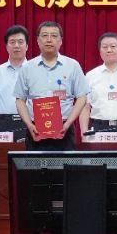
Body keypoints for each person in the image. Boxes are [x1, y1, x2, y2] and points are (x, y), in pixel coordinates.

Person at [16, 21, 89, 150]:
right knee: (34, 164)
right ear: (38, 41)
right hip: (35, 129)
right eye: (44, 35)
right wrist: (29, 124)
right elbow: (20, 99)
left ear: (61, 41)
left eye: (54, 36)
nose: (49, 40)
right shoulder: (27, 68)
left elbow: (82, 97)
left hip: (64, 129)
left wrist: (68, 123)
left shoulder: (72, 65)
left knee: (65, 164)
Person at [81, 32, 117, 140]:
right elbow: (85, 107)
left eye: (113, 46)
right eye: (105, 47)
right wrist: (84, 133)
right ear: (100, 51)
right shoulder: (90, 75)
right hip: (98, 127)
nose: (109, 50)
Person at [0, 25, 29, 141]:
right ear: (6, 47)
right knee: (2, 154)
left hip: (29, 123)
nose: (16, 46)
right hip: (4, 124)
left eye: (20, 42)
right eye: (12, 42)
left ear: (27, 46)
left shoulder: (35, 70)